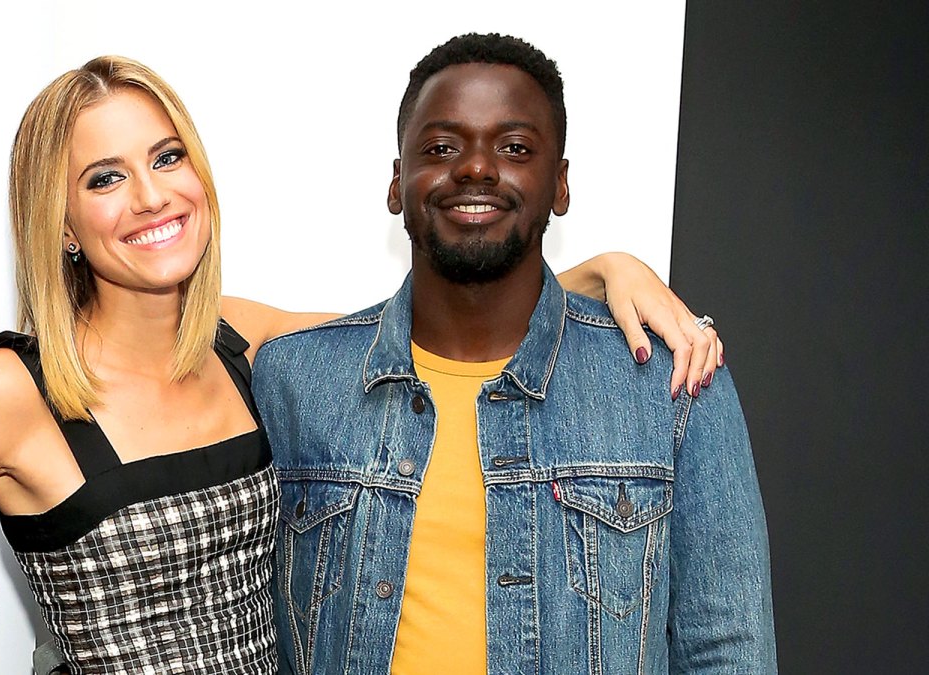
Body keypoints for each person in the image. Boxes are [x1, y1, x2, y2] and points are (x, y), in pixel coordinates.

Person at [0, 55, 723, 674]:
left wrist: (605, 269)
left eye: (166, 157)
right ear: (60, 223)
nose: (151, 196)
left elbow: (428, 325)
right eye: (104, 177)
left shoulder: (242, 342)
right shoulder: (9, 392)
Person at [253, 33, 776, 675]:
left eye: (515, 148)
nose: (475, 168)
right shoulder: (293, 381)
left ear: (560, 185)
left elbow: (729, 650)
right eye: (441, 148)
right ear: (396, 183)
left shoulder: (674, 382)